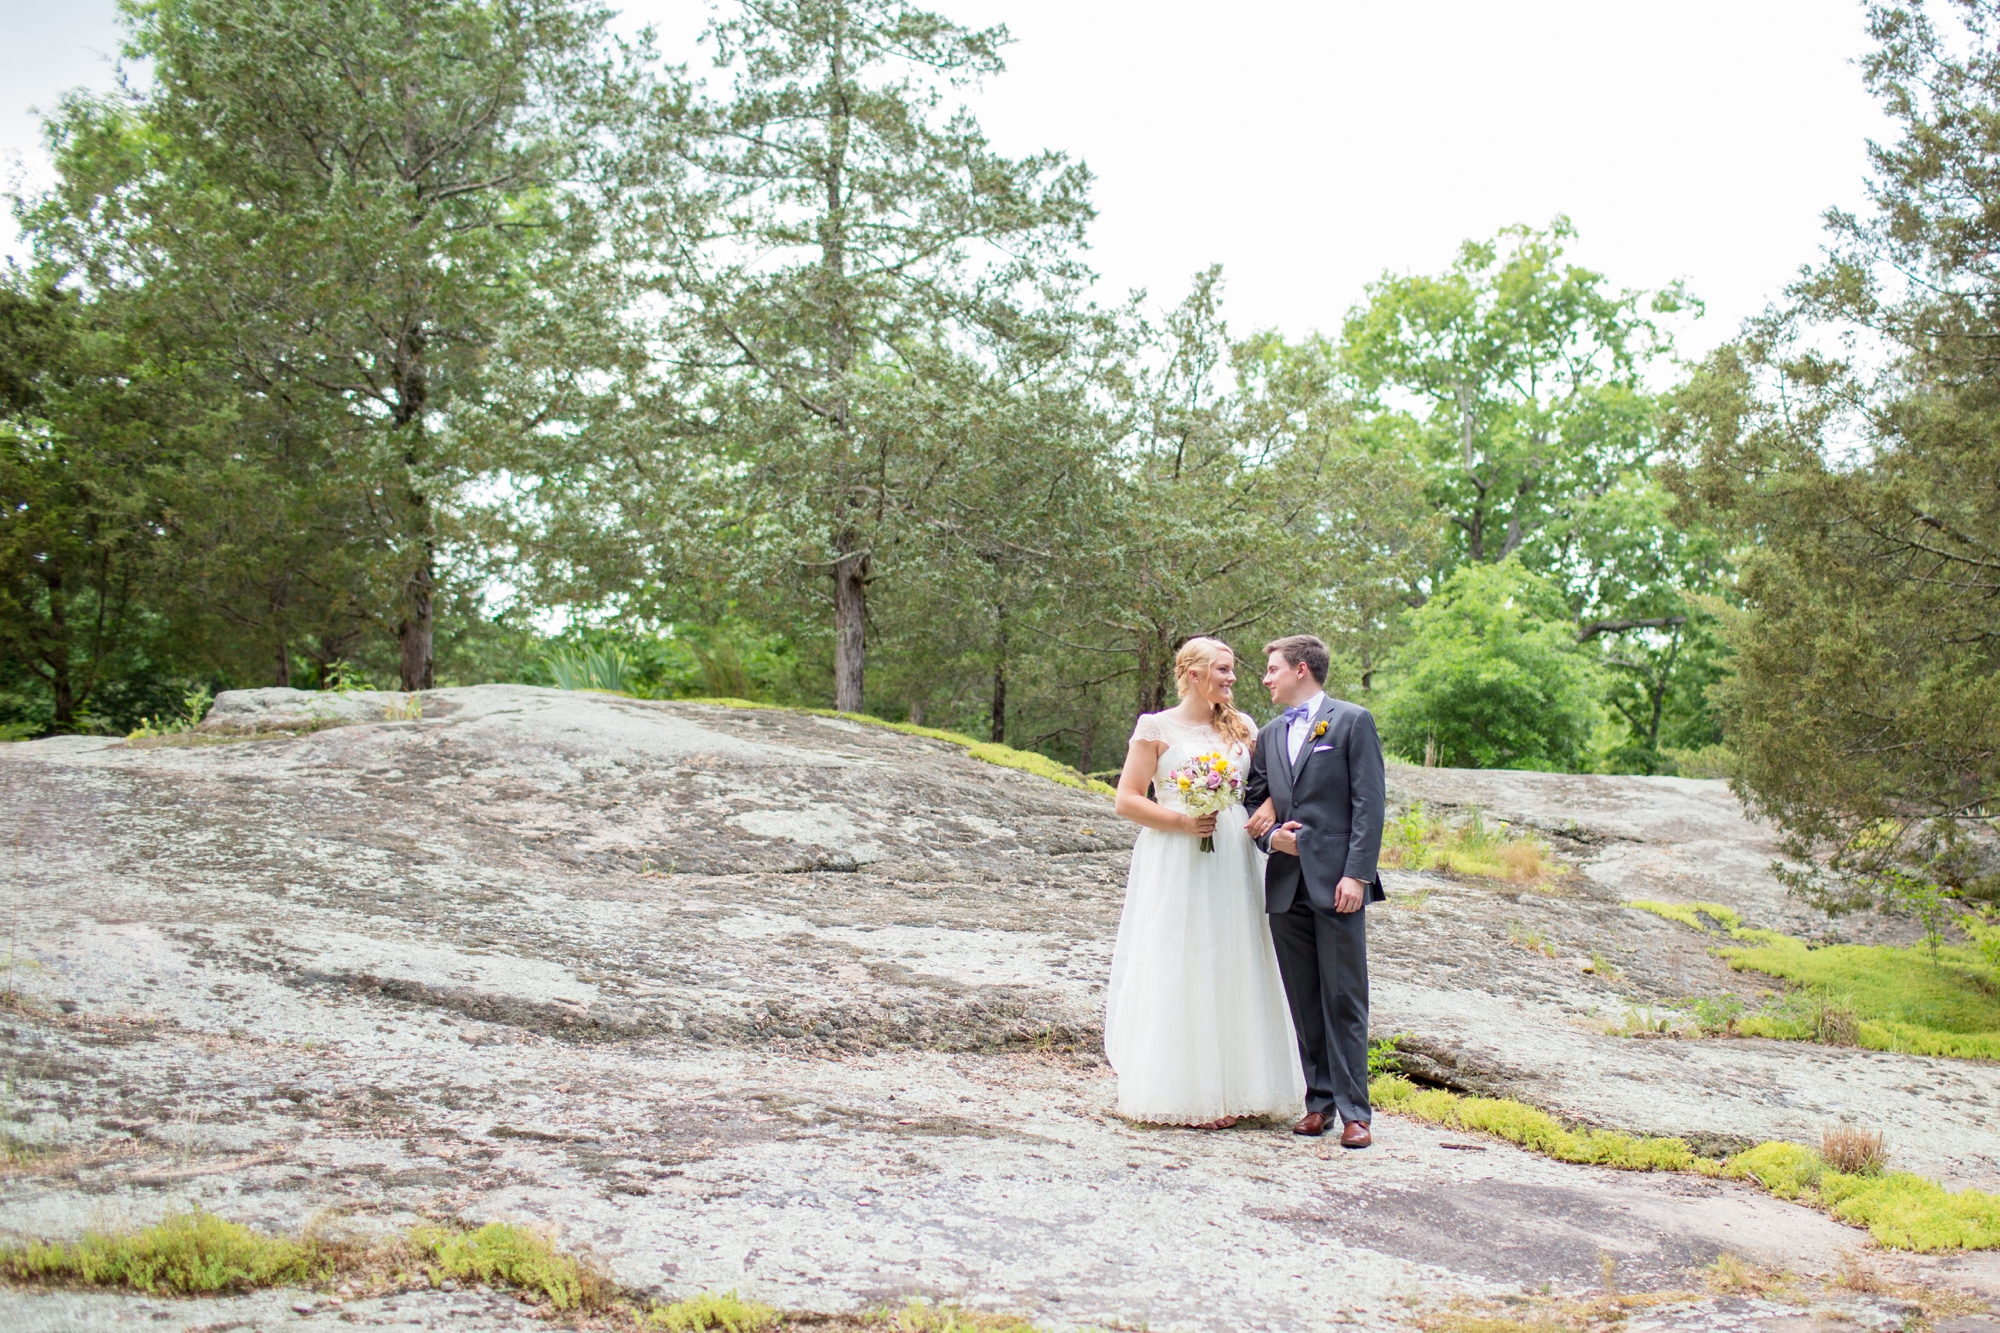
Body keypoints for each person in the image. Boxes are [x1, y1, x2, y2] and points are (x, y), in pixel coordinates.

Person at [1103, 637, 1305, 1128]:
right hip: (1175, 854)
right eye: (1223, 670)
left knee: (1235, 955)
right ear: (1192, 674)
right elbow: (1127, 799)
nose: (1233, 679)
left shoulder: (1245, 727)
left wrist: (1266, 814)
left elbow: (1275, 789)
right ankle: (1189, 1090)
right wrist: (1180, 822)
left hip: (1231, 856)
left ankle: (1239, 1086)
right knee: (1182, 955)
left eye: (1233, 670)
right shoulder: (1155, 726)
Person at [1243, 634, 1387, 1148]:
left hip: (1338, 884)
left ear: (1301, 669)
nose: (1266, 678)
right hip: (1285, 887)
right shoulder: (1267, 733)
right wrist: (1269, 838)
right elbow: (1254, 802)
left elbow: (1370, 803)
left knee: (1344, 997)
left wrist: (1358, 875)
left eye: (1272, 669)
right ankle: (1318, 1104)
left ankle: (1356, 1113)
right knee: (1304, 1000)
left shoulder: (1352, 721)